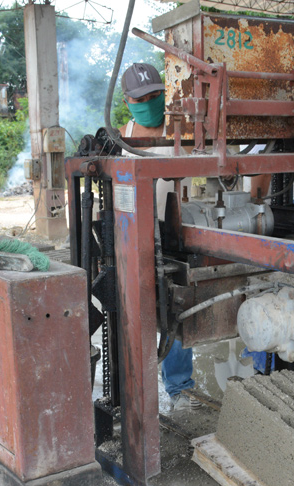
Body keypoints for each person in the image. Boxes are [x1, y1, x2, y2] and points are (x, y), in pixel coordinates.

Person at [119, 63, 198, 411]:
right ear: (127, 102)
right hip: (134, 237)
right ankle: (134, 392)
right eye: (141, 98)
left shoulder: (181, 131)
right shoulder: (122, 135)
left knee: (176, 312)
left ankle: (179, 389)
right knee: (133, 314)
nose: (148, 103)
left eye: (155, 96)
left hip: (174, 233)